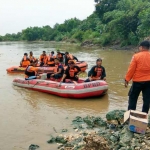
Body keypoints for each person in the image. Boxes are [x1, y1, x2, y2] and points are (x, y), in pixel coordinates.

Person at [125, 40, 150, 113]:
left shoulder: (136, 56)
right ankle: (144, 116)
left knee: (133, 98)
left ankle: (131, 116)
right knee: (147, 100)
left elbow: (131, 69)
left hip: (137, 82)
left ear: (141, 47)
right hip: (148, 82)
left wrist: (127, 79)